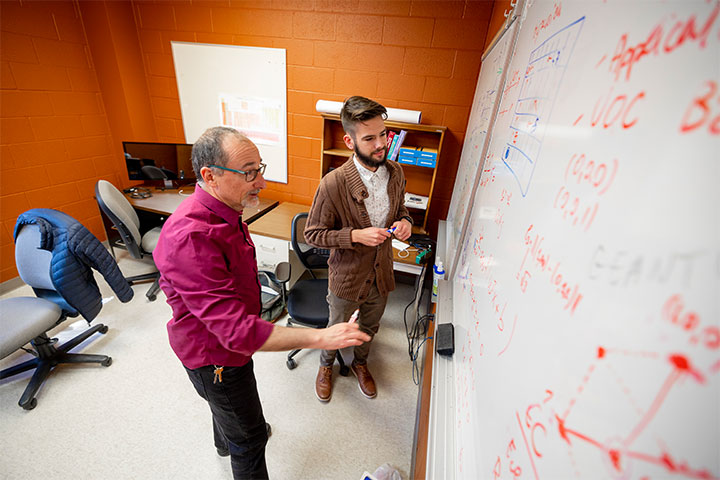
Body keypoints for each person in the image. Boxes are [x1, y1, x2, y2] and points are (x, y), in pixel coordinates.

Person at [153, 126, 370, 480]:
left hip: (227, 352)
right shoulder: (191, 237)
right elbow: (236, 333)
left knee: (227, 409)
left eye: (260, 169)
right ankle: (237, 439)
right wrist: (320, 338)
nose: (262, 183)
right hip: (215, 357)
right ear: (210, 176)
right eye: (249, 173)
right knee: (250, 439)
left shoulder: (226, 209)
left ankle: (226, 439)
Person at [304, 96, 413, 403]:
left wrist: (404, 221)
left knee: (370, 324)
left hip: (381, 272)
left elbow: (401, 210)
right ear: (349, 141)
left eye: (383, 134)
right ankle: (325, 366)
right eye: (369, 138)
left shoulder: (396, 174)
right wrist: (355, 236)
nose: (381, 144)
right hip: (348, 276)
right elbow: (313, 234)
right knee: (336, 326)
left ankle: (361, 363)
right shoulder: (333, 183)